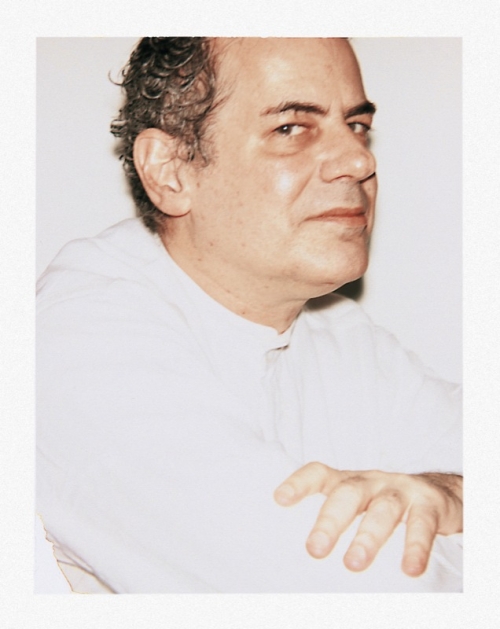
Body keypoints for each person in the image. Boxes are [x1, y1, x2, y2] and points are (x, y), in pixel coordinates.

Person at [36, 37, 462, 593]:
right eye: (291, 128)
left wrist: (452, 493)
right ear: (170, 171)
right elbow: (354, 593)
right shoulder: (79, 347)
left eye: (357, 125)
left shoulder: (338, 331)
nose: (361, 161)